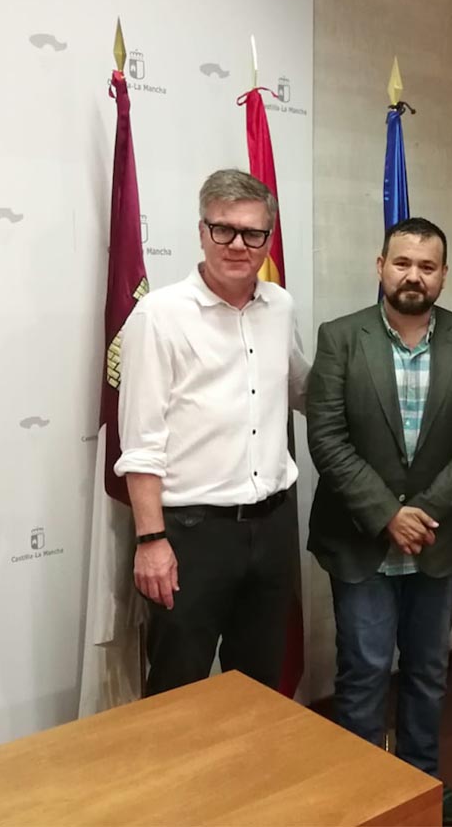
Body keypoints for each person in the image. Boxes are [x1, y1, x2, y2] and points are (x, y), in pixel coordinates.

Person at [307, 217, 452, 825]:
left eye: (427, 265)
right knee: (362, 672)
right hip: (361, 538)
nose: (413, 275)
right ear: (380, 265)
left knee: (427, 672)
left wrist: (426, 512)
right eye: (402, 262)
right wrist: (388, 514)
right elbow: (327, 436)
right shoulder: (341, 337)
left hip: (439, 541)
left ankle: (420, 786)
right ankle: (367, 797)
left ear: (444, 274)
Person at [115, 169, 309, 696]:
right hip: (192, 536)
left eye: (253, 234)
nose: (238, 245)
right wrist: (151, 540)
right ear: (202, 231)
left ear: (268, 239)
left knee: (261, 687)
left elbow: (302, 392)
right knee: (179, 690)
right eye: (224, 230)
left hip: (271, 531)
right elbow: (140, 444)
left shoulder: (281, 307)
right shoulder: (158, 316)